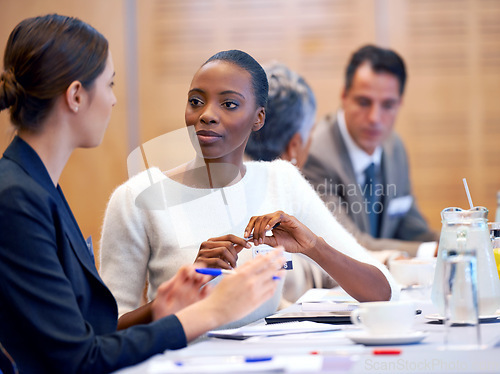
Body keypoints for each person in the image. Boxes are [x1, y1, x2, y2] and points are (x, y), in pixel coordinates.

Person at [0, 14, 285, 374]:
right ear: (75, 96)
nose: (114, 101)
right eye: (109, 84)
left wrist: (162, 307)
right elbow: (77, 359)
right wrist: (212, 311)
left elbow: (86, 333)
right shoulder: (16, 198)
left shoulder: (38, 185)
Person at [99, 50, 399, 326]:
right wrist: (182, 289)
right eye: (196, 101)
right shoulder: (135, 198)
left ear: (258, 118)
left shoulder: (281, 180)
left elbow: (381, 291)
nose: (206, 114)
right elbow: (104, 329)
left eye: (229, 104)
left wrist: (314, 247)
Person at [302, 45, 439, 258]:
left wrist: (459, 242)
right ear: (344, 96)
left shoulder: (395, 148)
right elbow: (348, 243)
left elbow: (412, 227)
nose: (375, 118)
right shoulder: (315, 155)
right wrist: (432, 251)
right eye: (364, 102)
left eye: (388, 105)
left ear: (400, 104)